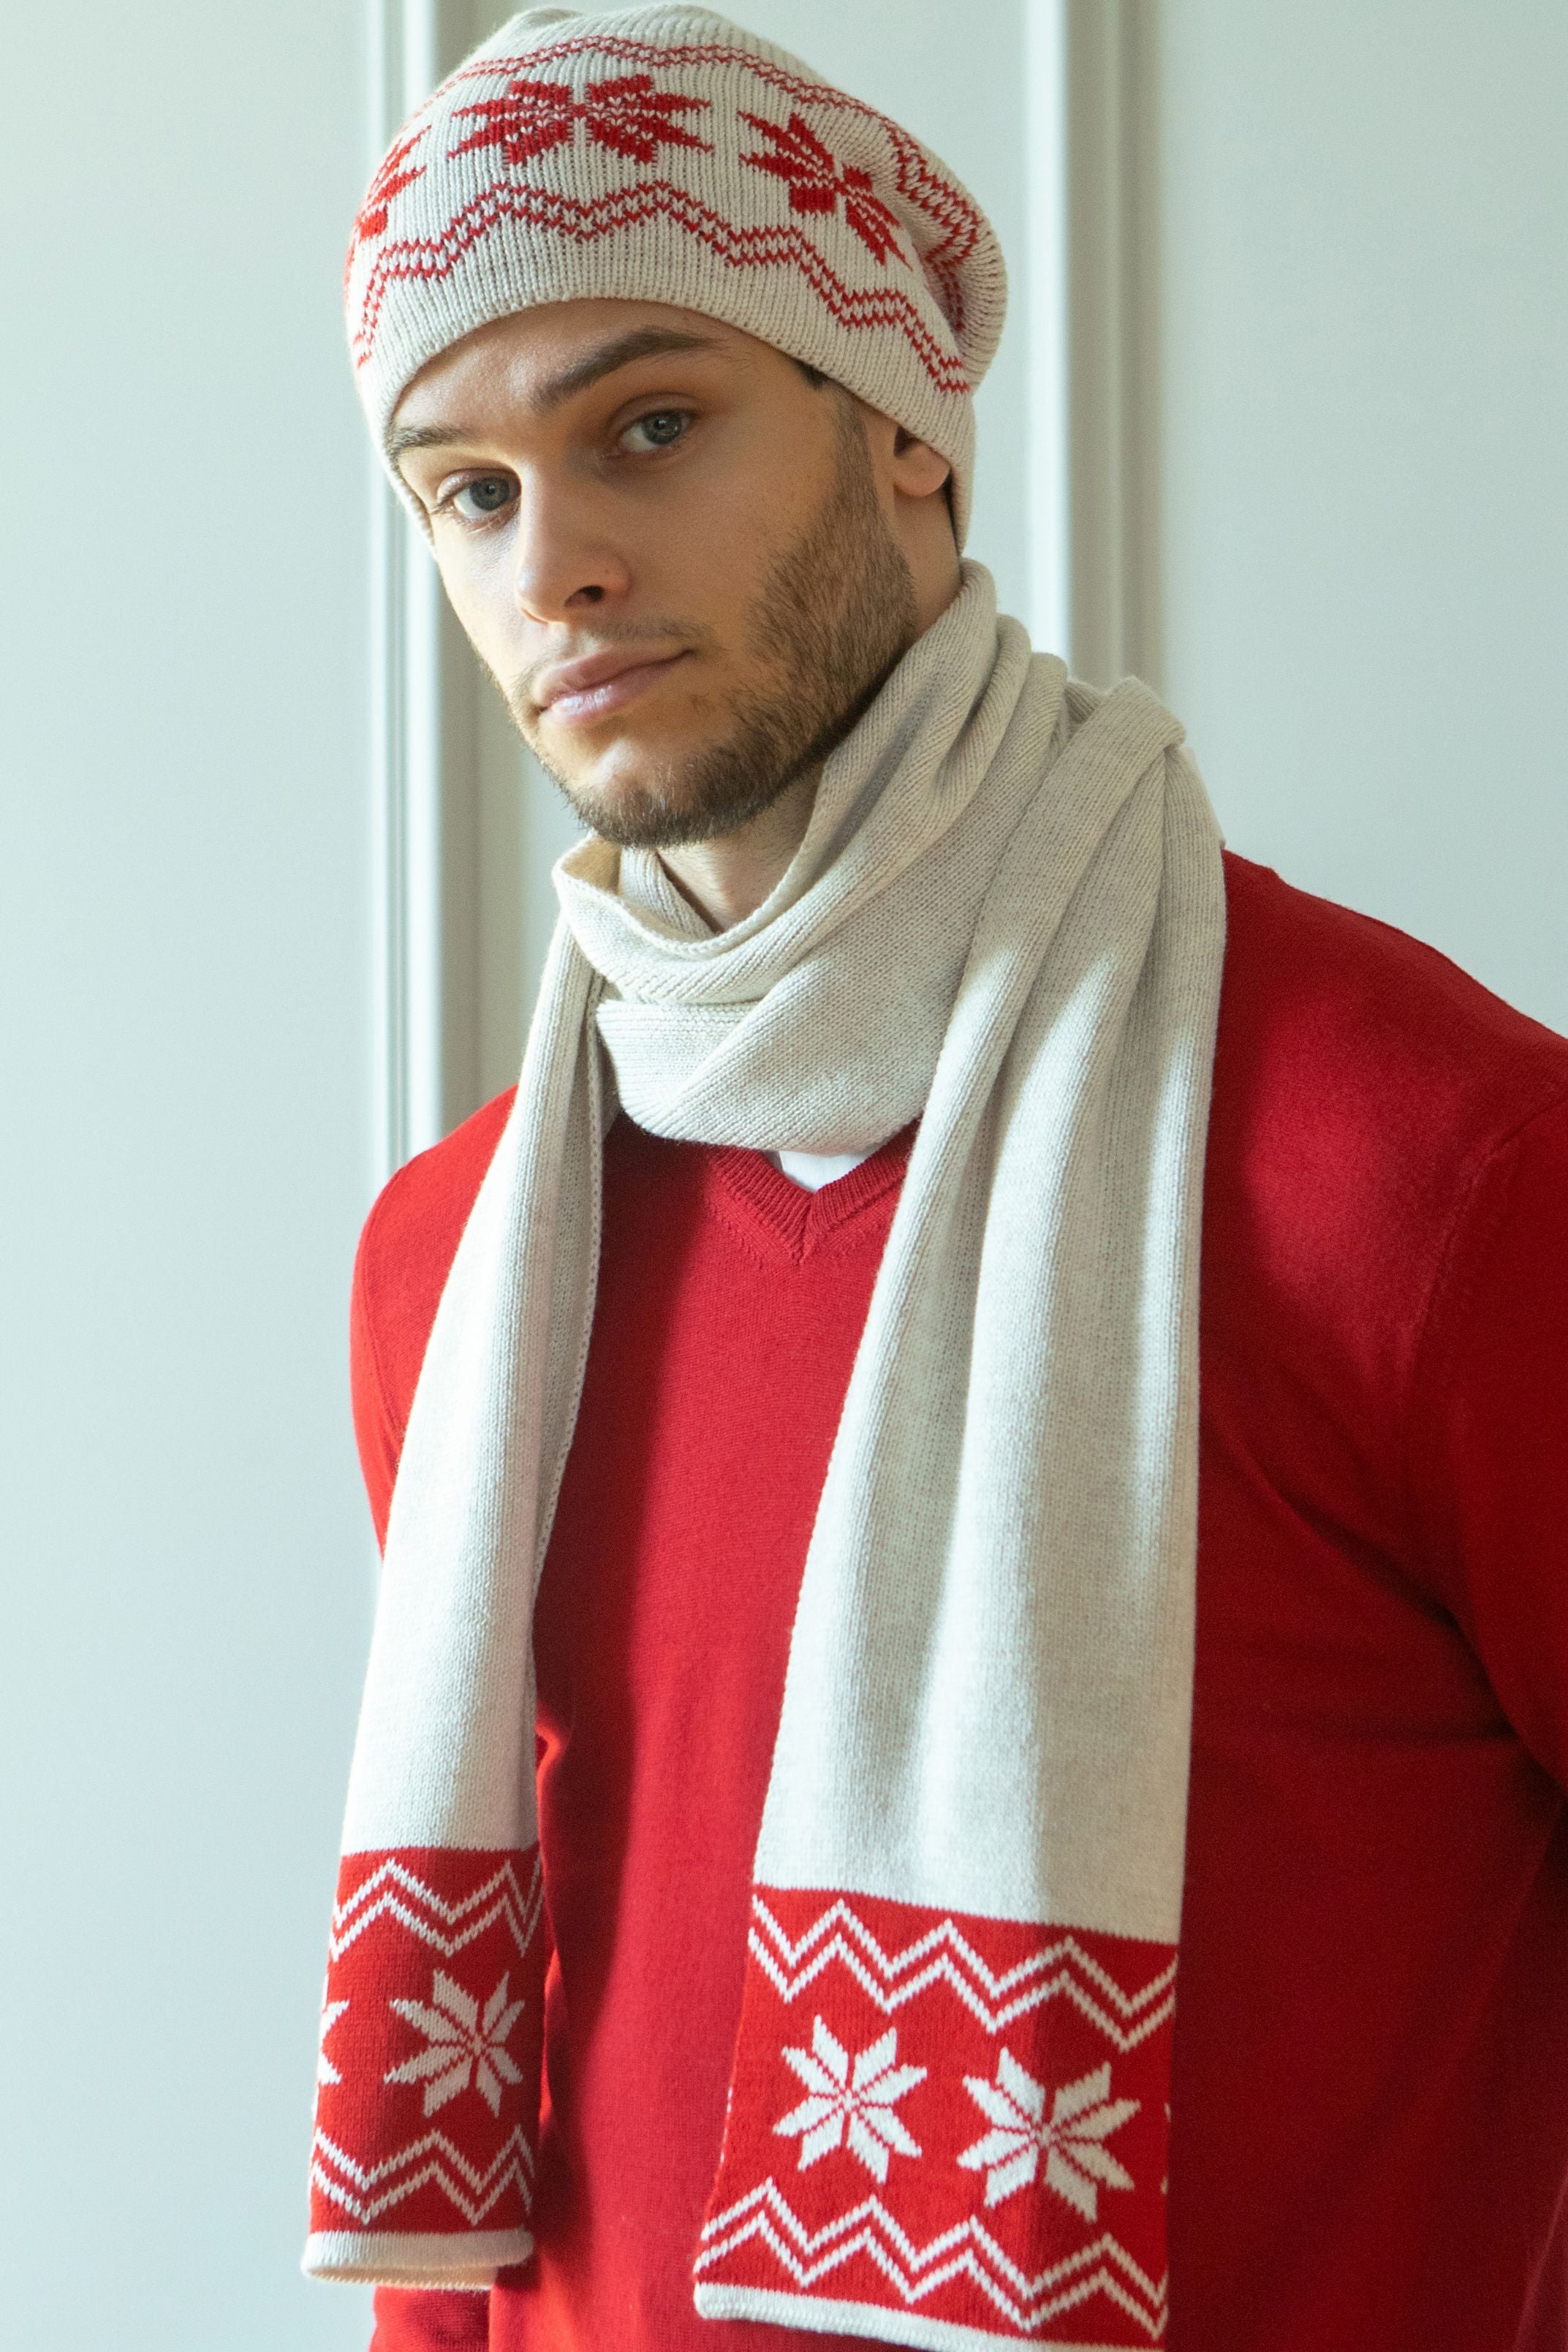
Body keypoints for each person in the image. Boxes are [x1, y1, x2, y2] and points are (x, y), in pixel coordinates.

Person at [303, 9, 1568, 2350]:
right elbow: (495, 2164)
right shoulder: (456, 1263)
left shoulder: (1428, 1171)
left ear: (903, 424)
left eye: (647, 426)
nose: (551, 560)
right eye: (463, 491)